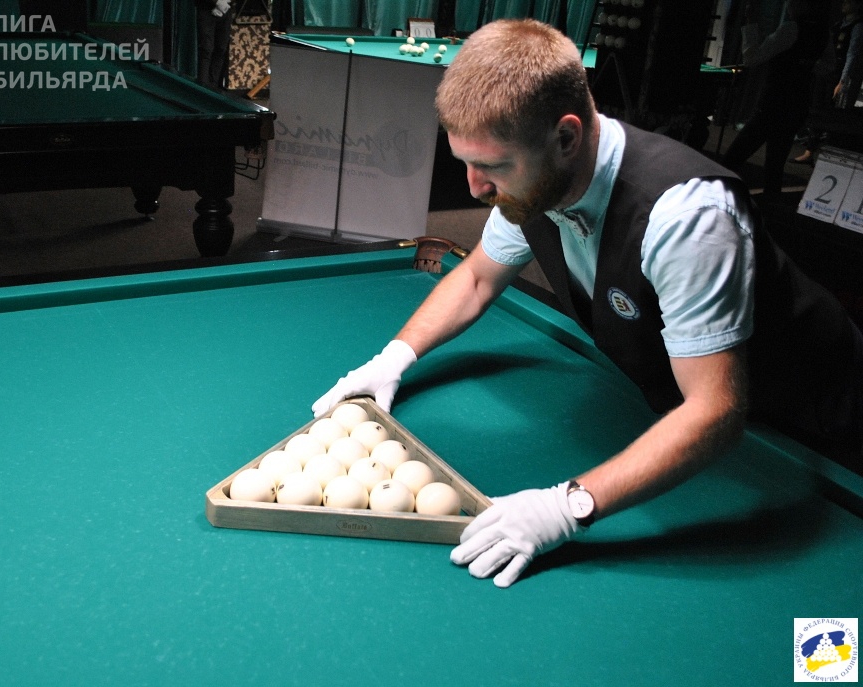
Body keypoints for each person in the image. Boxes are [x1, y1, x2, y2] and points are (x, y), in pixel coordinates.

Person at [311, 18, 863, 589]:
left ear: (567, 138)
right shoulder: (536, 179)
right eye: (466, 163)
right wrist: (394, 357)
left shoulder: (686, 220)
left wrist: (567, 507)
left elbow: (714, 410)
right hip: (698, 410)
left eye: (493, 166)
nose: (475, 188)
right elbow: (475, 278)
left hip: (822, 428)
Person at [721, 0, 831, 196]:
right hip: (798, 101)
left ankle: (716, 194)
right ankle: (771, 205)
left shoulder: (790, 29)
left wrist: (750, 25)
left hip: (774, 102)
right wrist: (804, 66)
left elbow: (752, 58)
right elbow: (827, 67)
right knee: (775, 163)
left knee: (734, 157)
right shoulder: (823, 32)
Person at [795, 0, 863, 162]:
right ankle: (810, 151)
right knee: (818, 109)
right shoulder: (839, 24)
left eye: (849, 1)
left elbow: (852, 54)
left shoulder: (857, 26)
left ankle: (823, 153)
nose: (844, 3)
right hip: (826, 72)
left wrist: (843, 81)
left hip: (837, 75)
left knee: (832, 114)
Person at [195, 0, 233, 90]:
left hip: (226, 9)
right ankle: (202, 89)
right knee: (206, 50)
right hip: (206, 8)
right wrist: (217, 2)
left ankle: (213, 87)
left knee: (221, 49)